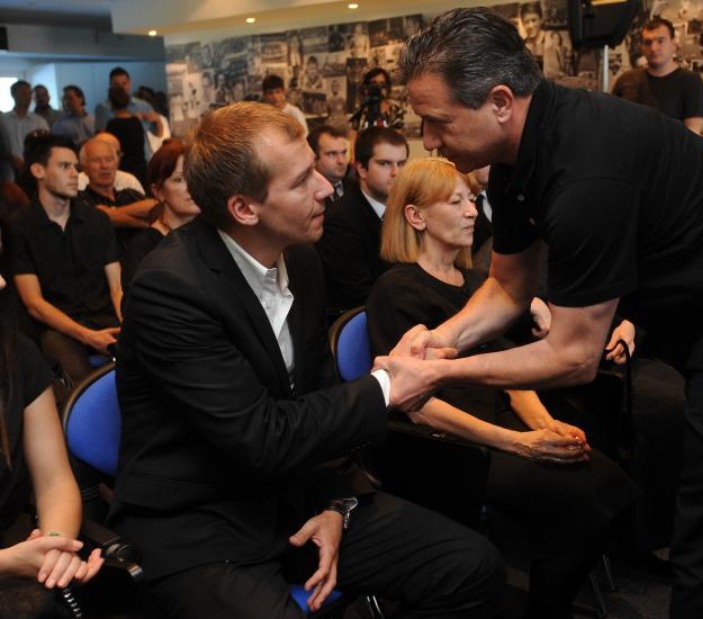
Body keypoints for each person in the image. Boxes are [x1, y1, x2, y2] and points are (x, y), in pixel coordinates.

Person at [391, 9, 703, 619]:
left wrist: (440, 373)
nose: (428, 140)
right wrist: (437, 342)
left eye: (437, 121)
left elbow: (573, 356)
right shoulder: (514, 160)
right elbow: (508, 287)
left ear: (500, 102)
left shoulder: (585, 174)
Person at [109, 101, 504, 619]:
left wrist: (336, 502)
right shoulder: (170, 289)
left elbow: (317, 392)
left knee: (471, 565)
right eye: (301, 181)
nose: (325, 187)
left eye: (316, 170)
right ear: (244, 209)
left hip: (295, 496)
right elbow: (261, 437)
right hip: (201, 525)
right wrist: (387, 387)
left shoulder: (299, 257)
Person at [368, 158, 638, 618]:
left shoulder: (477, 284)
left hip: (495, 423)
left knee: (609, 481)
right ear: (416, 216)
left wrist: (545, 425)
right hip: (444, 445)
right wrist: (518, 443)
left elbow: (506, 371)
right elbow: (417, 406)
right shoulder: (396, 290)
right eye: (455, 202)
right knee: (584, 496)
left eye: (471, 200)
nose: (471, 211)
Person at [0, 217, 104, 619]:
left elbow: (55, 481)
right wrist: (8, 562)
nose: (3, 283)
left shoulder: (17, 355)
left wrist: (55, 544)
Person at [10, 134, 122, 388]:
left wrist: (127, 320)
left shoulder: (96, 220)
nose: (74, 174)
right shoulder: (20, 227)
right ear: (38, 170)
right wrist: (87, 336)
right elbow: (34, 303)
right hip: (57, 328)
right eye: (64, 166)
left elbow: (116, 287)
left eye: (75, 167)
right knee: (73, 369)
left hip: (104, 318)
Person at [316, 126, 407, 317]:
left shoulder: (408, 208)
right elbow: (360, 295)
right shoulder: (340, 220)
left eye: (401, 163)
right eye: (384, 164)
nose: (396, 172)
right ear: (362, 169)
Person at [121, 140, 198, 289]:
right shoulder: (143, 249)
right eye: (179, 180)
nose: (191, 186)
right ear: (158, 191)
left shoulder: (214, 233)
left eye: (195, 176)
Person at [612, 17, 703, 133]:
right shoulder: (625, 80)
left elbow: (692, 134)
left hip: (672, 145)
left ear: (673, 44)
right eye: (648, 42)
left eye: (660, 41)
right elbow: (613, 124)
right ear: (642, 47)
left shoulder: (691, 82)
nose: (653, 48)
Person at [78, 136, 157, 256]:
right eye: (96, 160)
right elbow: (100, 217)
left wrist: (113, 212)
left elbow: (155, 206)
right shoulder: (81, 198)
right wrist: (144, 223)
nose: (104, 166)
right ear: (84, 168)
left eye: (109, 159)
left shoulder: (129, 194)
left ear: (116, 164)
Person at [105, 86, 158, 189]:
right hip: (140, 169)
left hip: (123, 169)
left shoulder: (112, 125)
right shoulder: (136, 121)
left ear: (111, 103)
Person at [94, 68, 159, 144]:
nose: (121, 88)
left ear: (129, 83)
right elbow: (100, 137)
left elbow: (157, 134)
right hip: (116, 150)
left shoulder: (143, 106)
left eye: (124, 83)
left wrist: (158, 121)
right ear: (110, 85)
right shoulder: (103, 108)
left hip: (142, 150)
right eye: (116, 84)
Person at [1, 81, 49, 174]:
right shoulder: (3, 121)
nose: (28, 97)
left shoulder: (39, 121)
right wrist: (11, 158)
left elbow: (46, 146)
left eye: (30, 93)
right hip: (7, 171)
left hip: (34, 169)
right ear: (13, 94)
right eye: (23, 93)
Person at [307, 125, 350, 201]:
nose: (341, 161)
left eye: (343, 153)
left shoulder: (358, 188)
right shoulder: (307, 195)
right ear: (313, 157)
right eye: (332, 154)